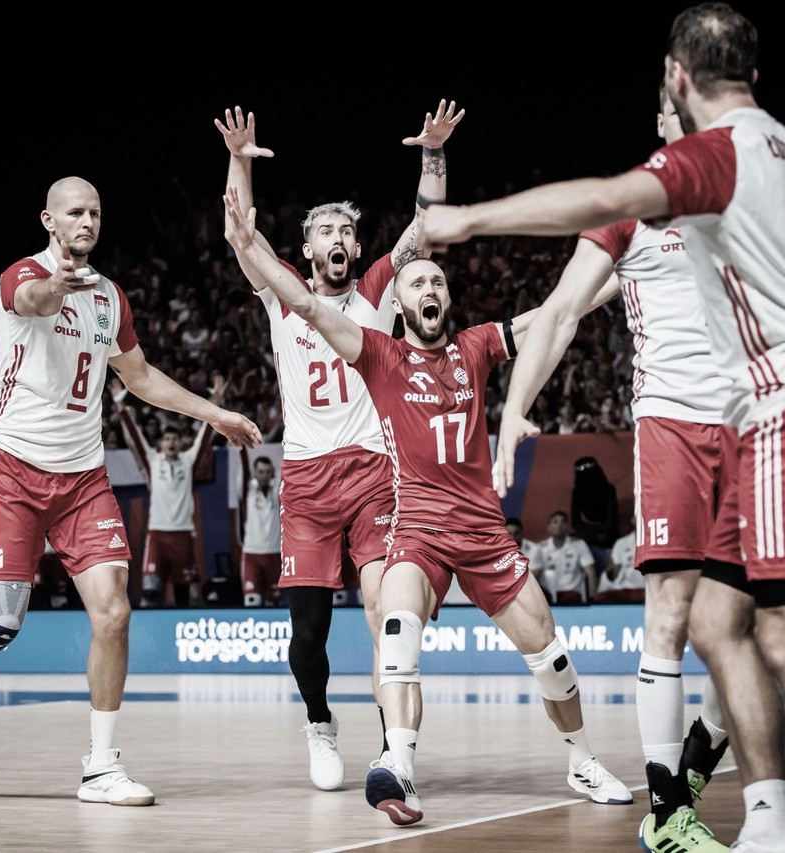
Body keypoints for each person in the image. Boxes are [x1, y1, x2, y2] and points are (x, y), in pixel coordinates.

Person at [421, 6, 785, 850]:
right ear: (754, 74)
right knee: (717, 622)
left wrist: (467, 219)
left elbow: (604, 194)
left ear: (679, 81)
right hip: (764, 411)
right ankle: (751, 816)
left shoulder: (712, 157)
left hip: (782, 413)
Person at [224, 188, 633, 827]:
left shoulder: (475, 347)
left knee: (552, 659)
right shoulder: (378, 355)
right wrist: (246, 237)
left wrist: (616, 279)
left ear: (445, 297)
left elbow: (551, 316)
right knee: (394, 626)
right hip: (415, 530)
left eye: (434, 280)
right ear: (400, 304)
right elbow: (302, 301)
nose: (425, 289)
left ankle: (580, 757)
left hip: (484, 535)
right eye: (414, 283)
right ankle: (399, 766)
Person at [0, 176, 261, 807]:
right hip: (13, 470)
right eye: (74, 214)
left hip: (83, 478)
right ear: (49, 221)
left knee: (114, 613)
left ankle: (100, 766)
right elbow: (28, 299)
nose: (87, 222)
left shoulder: (110, 297)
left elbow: (139, 376)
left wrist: (212, 412)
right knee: (2, 622)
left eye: (94, 213)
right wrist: (52, 288)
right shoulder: (22, 276)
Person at [489, 82, 737, 851]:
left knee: (753, 635)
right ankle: (667, 814)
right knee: (668, 615)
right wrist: (511, 413)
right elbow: (561, 312)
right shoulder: (627, 209)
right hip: (667, 426)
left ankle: (692, 767)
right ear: (664, 122)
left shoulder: (740, 197)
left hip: (753, 431)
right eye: (674, 110)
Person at [217, 101, 462, 791]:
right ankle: (320, 723)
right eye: (324, 227)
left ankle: (394, 747)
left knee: (391, 609)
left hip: (375, 474)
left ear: (355, 251)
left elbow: (425, 227)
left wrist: (432, 154)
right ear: (307, 248)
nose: (336, 235)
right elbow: (241, 233)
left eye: (346, 230)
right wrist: (239, 160)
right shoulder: (282, 296)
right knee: (308, 633)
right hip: (305, 481)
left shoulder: (379, 292)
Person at [111, 376, 220, 609]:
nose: (171, 442)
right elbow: (136, 439)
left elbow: (204, 437)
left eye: (175, 439)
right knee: (151, 594)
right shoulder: (152, 461)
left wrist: (215, 401)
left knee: (184, 597)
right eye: (167, 438)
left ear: (180, 443)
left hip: (183, 536)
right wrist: (121, 408)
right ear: (160, 444)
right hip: (157, 536)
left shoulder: (188, 462)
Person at [240, 455, 282, 607]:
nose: (264, 476)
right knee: (252, 601)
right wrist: (240, 448)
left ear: (273, 473)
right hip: (252, 554)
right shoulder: (248, 492)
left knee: (274, 601)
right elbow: (244, 470)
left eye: (268, 472)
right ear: (254, 472)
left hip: (275, 554)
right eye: (261, 472)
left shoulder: (278, 492)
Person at [533, 510, 597, 604]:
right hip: (548, 594)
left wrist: (592, 600)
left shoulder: (579, 545)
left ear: (567, 527)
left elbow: (591, 573)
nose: (559, 525)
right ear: (549, 527)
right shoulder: (540, 548)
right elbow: (533, 575)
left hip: (572, 593)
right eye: (555, 522)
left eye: (563, 522)